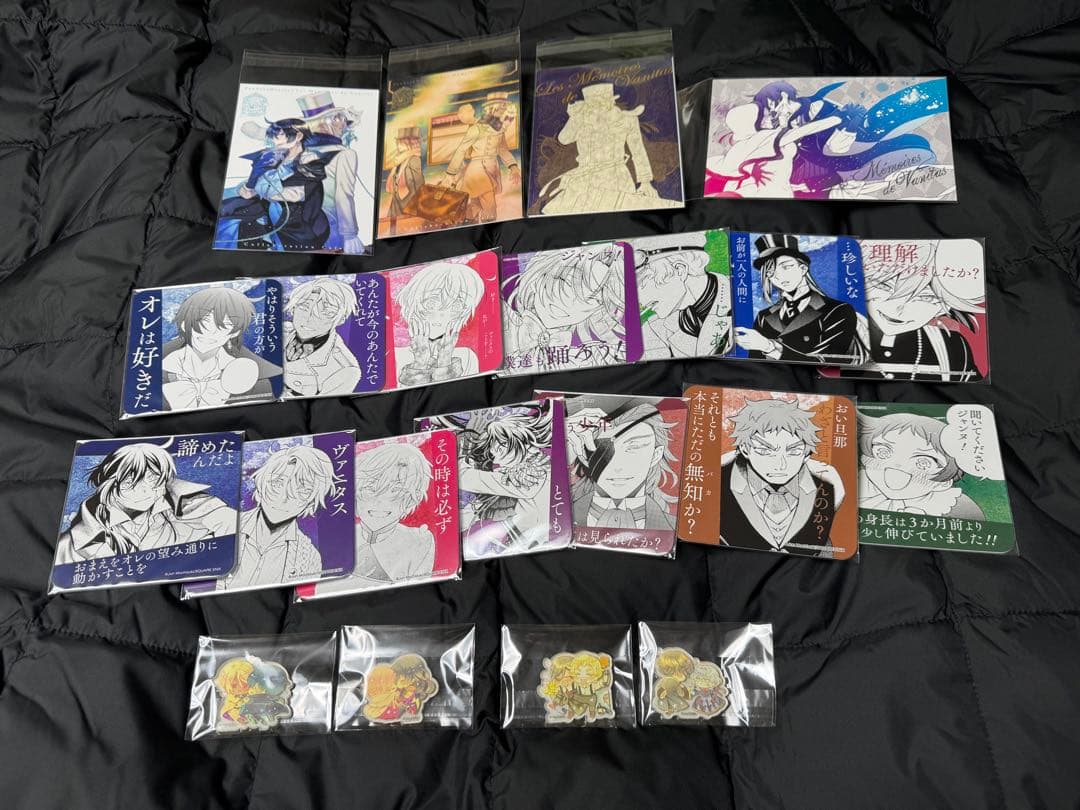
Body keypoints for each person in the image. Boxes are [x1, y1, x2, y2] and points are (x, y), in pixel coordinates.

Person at [56, 442, 236, 564]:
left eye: (158, 481)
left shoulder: (184, 506)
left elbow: (230, 521)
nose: (158, 490)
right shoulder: (73, 543)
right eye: (151, 482)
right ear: (119, 483)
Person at [719, 398, 844, 557]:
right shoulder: (721, 482)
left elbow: (822, 546)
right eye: (765, 450)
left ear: (806, 454)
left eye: (794, 451)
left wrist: (837, 488)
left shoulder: (824, 487)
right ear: (745, 448)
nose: (780, 464)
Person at [314, 441, 435, 596]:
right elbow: (321, 589)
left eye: (396, 491)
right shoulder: (338, 537)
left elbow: (419, 594)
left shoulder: (418, 541)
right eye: (369, 489)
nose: (380, 502)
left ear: (413, 498)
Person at [538, 83, 675, 214]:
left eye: (602, 103)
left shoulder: (627, 119)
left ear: (611, 101)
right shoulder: (582, 119)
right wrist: (575, 117)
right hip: (585, 177)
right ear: (588, 105)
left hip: (617, 176)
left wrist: (645, 182)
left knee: (617, 214)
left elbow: (638, 151)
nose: (600, 108)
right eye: (595, 104)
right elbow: (563, 139)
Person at [219, 444, 341, 590]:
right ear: (261, 483)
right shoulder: (223, 525)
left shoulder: (309, 557)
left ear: (311, 501)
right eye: (277, 483)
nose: (284, 497)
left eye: (302, 490)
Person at [734, 234, 868, 365]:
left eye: (786, 267)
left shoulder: (838, 310)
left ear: (803, 268)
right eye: (770, 272)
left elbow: (827, 362)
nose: (778, 276)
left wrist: (770, 347)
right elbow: (756, 364)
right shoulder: (763, 317)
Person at [856, 245, 984, 381]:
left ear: (944, 307)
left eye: (925, 297)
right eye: (884, 286)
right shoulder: (844, 330)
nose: (898, 309)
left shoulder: (951, 345)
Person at [436, 408, 552, 555]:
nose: (493, 450)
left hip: (534, 543)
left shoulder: (529, 477)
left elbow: (465, 477)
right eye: (493, 443)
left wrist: (468, 446)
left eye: (500, 443)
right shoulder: (536, 466)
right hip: (525, 537)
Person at [504, 244, 627, 370]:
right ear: (537, 279)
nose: (572, 303)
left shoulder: (578, 358)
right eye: (567, 281)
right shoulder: (503, 315)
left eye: (592, 298)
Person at [217, 117, 331, 251]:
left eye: (279, 135)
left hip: (298, 219)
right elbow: (256, 183)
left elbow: (294, 195)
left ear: (298, 136)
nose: (275, 140)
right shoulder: (277, 156)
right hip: (270, 206)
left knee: (240, 221)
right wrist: (248, 187)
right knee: (226, 210)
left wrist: (256, 189)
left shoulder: (310, 161)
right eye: (273, 135)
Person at [161, 286, 280, 411]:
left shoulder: (253, 377)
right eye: (204, 320)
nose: (211, 332)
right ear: (184, 323)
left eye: (226, 324)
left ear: (235, 332)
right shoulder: (156, 370)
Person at [565, 400, 679, 531]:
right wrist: (557, 452)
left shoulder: (675, 528)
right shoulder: (559, 514)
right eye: (602, 449)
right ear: (582, 450)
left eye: (634, 447)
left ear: (656, 455)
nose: (617, 466)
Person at [857, 411, 984, 518]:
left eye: (923, 463)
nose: (898, 465)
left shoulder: (957, 505)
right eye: (883, 452)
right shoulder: (855, 486)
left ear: (945, 482)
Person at [633, 233, 732, 359]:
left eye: (643, 283)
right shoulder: (653, 329)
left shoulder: (743, 300)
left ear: (680, 270)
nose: (639, 301)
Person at [297, 91, 370, 254]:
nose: (343, 124)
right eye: (339, 118)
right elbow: (343, 195)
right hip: (333, 230)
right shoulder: (346, 154)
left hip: (307, 228)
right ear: (327, 122)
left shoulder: (302, 154)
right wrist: (350, 234)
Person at [393, 261, 485, 385]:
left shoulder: (467, 357)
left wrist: (445, 362)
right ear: (413, 303)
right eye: (431, 303)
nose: (441, 315)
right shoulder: (396, 357)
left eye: (457, 306)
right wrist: (420, 364)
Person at [440, 93, 520, 223]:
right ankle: (489, 227)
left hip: (492, 168)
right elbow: (461, 150)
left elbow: (502, 150)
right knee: (489, 206)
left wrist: (513, 166)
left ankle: (467, 223)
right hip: (477, 170)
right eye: (501, 108)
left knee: (475, 205)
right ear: (491, 109)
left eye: (504, 108)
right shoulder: (476, 129)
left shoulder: (500, 130)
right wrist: (450, 174)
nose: (503, 111)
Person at [283, 277, 362, 397]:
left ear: (341, 319)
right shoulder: (281, 331)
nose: (309, 318)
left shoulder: (345, 370)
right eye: (304, 307)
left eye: (326, 313)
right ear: (293, 308)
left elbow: (323, 407)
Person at [385, 126, 424, 235]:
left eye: (400, 143)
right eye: (397, 142)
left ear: (408, 143)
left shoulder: (414, 159)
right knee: (392, 228)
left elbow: (419, 184)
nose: (397, 145)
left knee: (406, 229)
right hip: (397, 198)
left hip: (408, 200)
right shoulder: (401, 159)